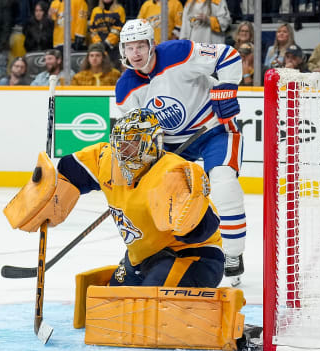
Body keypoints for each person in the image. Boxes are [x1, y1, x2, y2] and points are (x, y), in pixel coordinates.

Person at [114, 19, 246, 286]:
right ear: (122, 51)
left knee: (223, 183)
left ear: (152, 45)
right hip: (172, 146)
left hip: (213, 129)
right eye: (130, 47)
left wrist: (226, 88)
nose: (136, 53)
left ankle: (233, 254)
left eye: (141, 45)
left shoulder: (178, 53)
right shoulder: (126, 88)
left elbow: (228, 55)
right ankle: (162, 252)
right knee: (163, 202)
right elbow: (134, 135)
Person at [54, 109, 224, 287]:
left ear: (152, 143)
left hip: (193, 256)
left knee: (150, 298)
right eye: (120, 144)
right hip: (144, 258)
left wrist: (189, 224)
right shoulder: (108, 161)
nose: (123, 151)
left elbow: (207, 225)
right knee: (113, 301)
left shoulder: (173, 174)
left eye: (131, 143)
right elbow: (71, 169)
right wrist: (48, 191)